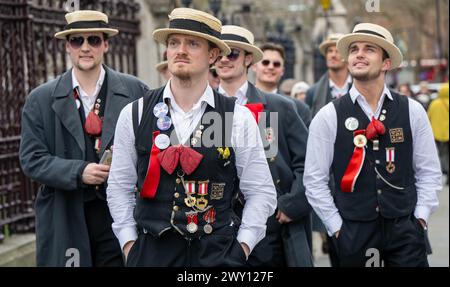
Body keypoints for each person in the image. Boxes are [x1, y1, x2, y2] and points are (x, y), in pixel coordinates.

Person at [106, 8, 276, 267]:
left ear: (213, 55)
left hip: (217, 255)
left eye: (192, 43)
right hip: (152, 254)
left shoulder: (235, 117)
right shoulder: (136, 112)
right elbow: (119, 186)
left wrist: (242, 248)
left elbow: (260, 191)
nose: (180, 50)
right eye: (174, 42)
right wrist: (130, 245)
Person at [304, 23, 441, 267]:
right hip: (354, 233)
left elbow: (429, 171)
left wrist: (420, 218)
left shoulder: (412, 110)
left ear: (386, 63)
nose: (359, 54)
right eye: (354, 49)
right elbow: (314, 180)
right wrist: (336, 228)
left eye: (369, 49)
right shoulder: (328, 116)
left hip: (405, 231)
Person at [19, 10, 149, 267]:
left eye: (94, 40)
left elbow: (152, 149)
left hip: (120, 217)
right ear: (68, 46)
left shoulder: (136, 90)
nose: (86, 47)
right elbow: (31, 159)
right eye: (77, 40)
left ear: (106, 44)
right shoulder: (40, 99)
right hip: (65, 214)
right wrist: (79, 171)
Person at [216, 25, 312, 267]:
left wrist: (291, 204)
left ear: (248, 59)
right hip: (217, 224)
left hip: (271, 224)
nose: (224, 59)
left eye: (232, 53)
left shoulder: (281, 106)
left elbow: (309, 163)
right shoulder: (201, 108)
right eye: (219, 53)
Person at [253, 43, 311, 127]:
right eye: (265, 62)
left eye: (276, 64)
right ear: (254, 66)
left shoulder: (299, 109)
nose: (271, 67)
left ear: (282, 70)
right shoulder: (240, 102)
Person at [306, 33, 352, 117]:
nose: (333, 55)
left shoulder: (361, 88)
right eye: (330, 51)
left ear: (347, 57)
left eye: (337, 51)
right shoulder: (312, 92)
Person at [428, 83, 449, 185]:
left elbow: (428, 117)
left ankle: (443, 171)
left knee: (440, 154)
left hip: (436, 133)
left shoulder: (435, 103)